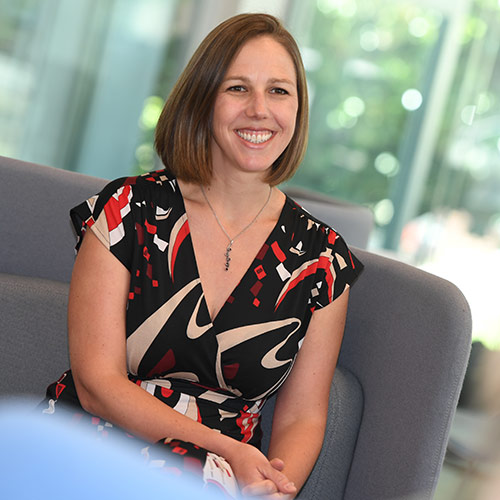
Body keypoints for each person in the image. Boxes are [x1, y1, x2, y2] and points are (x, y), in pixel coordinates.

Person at [41, 13, 363, 499]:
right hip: (93, 447)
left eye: (279, 91)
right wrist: (228, 452)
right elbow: (97, 383)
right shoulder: (129, 210)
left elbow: (303, 416)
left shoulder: (322, 259)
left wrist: (273, 488)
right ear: (204, 99)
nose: (260, 109)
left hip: (217, 482)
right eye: (238, 88)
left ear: (298, 109)